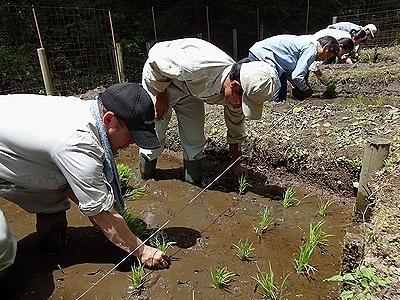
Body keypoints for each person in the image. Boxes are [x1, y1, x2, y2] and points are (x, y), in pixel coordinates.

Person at [0, 83, 171, 284]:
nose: (133, 143)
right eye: (132, 135)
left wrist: (94, 207)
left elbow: (72, 184)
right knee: (1, 243)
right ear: (109, 119)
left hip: (14, 150)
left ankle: (51, 247)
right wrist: (142, 251)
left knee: (54, 188)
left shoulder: (87, 111)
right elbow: (103, 214)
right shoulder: (77, 143)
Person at [139, 38, 278, 186]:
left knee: (195, 139)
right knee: (155, 134)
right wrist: (160, 94)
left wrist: (236, 163)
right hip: (161, 80)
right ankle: (145, 180)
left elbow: (235, 126)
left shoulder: (235, 93)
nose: (240, 107)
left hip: (190, 90)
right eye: (243, 102)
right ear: (234, 85)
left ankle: (192, 183)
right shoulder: (193, 65)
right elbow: (155, 55)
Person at [248, 34, 340, 101]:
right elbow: (297, 76)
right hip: (263, 54)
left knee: (281, 89)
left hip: (260, 53)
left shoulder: (308, 45)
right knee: (275, 86)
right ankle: (270, 111)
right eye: (327, 56)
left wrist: (296, 85)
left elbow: (288, 71)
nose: (323, 59)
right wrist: (305, 89)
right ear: (325, 48)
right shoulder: (311, 50)